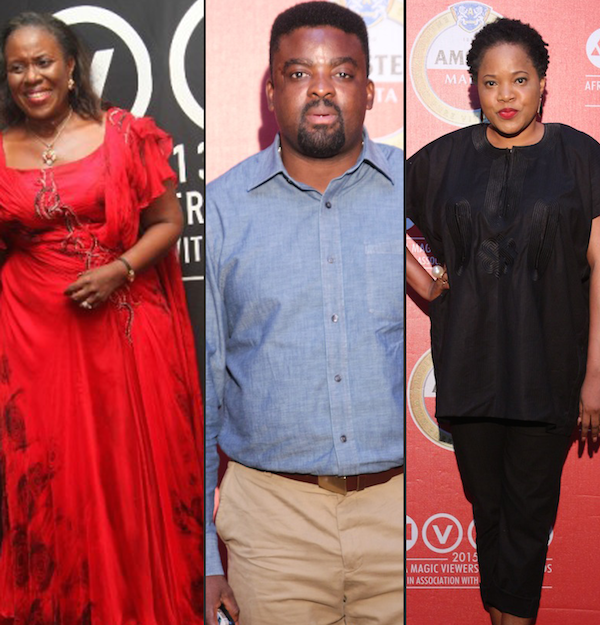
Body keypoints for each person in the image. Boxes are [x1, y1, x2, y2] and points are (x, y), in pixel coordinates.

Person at [0, 12, 203, 625]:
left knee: (123, 477)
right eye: (17, 67)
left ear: (70, 67)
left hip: (121, 328)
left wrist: (121, 269)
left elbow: (168, 222)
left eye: (43, 62)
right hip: (32, 335)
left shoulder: (123, 134)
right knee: (52, 479)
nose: (31, 77)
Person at [205, 2, 404, 624]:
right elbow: (200, 392)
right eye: (298, 74)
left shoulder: (419, 190)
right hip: (271, 525)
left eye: (341, 73)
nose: (321, 90)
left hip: (405, 516)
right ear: (270, 93)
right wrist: (205, 555)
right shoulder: (221, 210)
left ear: (370, 90)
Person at [406, 17, 600, 625]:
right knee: (488, 514)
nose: (506, 95)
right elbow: (367, 208)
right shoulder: (441, 161)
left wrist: (595, 376)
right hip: (469, 369)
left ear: (544, 83)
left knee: (528, 520)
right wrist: (422, 282)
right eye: (491, 83)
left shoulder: (581, 157)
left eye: (520, 80)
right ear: (474, 89)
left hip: (550, 372)